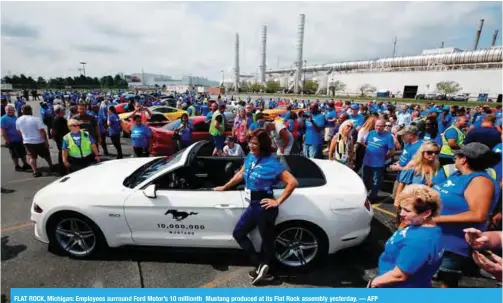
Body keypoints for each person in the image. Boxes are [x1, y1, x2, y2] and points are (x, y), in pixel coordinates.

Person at [214, 129, 298, 285]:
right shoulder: (251, 157)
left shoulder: (271, 163)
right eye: (250, 142)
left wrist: (277, 201)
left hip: (264, 205)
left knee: (267, 241)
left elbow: (292, 182)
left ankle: (271, 273)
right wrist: (225, 187)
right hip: (252, 205)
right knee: (239, 233)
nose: (251, 146)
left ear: (263, 145)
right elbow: (241, 174)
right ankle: (261, 264)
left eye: (255, 143)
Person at [433, 143, 501, 288]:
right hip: (438, 238)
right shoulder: (458, 174)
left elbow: (478, 215)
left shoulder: (480, 181)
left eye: (457, 155)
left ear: (464, 160)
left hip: (453, 244)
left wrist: (435, 219)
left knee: (447, 284)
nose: (454, 158)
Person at [369, 184, 444, 288]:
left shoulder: (419, 241)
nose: (401, 214)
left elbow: (399, 275)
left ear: (426, 213)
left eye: (407, 211)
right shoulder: (424, 227)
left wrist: (374, 283)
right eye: (402, 209)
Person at [15, 105, 54, 178]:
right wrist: (46, 141)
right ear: (30, 110)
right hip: (39, 141)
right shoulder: (36, 119)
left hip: (27, 142)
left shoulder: (18, 120)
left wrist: (24, 137)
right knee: (46, 155)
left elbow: (19, 131)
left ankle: (35, 172)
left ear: (22, 111)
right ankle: (51, 166)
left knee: (32, 157)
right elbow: (42, 131)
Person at [362, 119, 395, 203]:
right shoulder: (371, 132)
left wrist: (384, 158)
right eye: (377, 125)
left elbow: (392, 151)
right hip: (367, 162)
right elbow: (366, 143)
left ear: (384, 127)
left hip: (378, 164)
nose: (378, 127)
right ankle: (364, 195)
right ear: (374, 125)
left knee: (376, 181)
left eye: (381, 126)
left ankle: (373, 197)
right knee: (365, 180)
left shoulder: (388, 136)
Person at [1, 104, 30, 171]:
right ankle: (17, 166)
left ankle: (25, 164)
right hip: (11, 140)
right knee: (14, 154)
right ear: (5, 111)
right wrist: (7, 141)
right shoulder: (3, 119)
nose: (10, 111)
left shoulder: (16, 117)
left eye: (12, 110)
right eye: (8, 110)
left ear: (14, 110)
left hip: (20, 139)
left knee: (23, 153)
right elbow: (3, 132)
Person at [51, 105, 70, 174]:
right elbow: (58, 132)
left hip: (61, 139)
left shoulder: (57, 118)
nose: (64, 112)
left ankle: (63, 168)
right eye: (63, 111)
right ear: (60, 112)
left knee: (62, 153)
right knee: (63, 154)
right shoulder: (59, 120)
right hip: (62, 140)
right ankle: (62, 169)